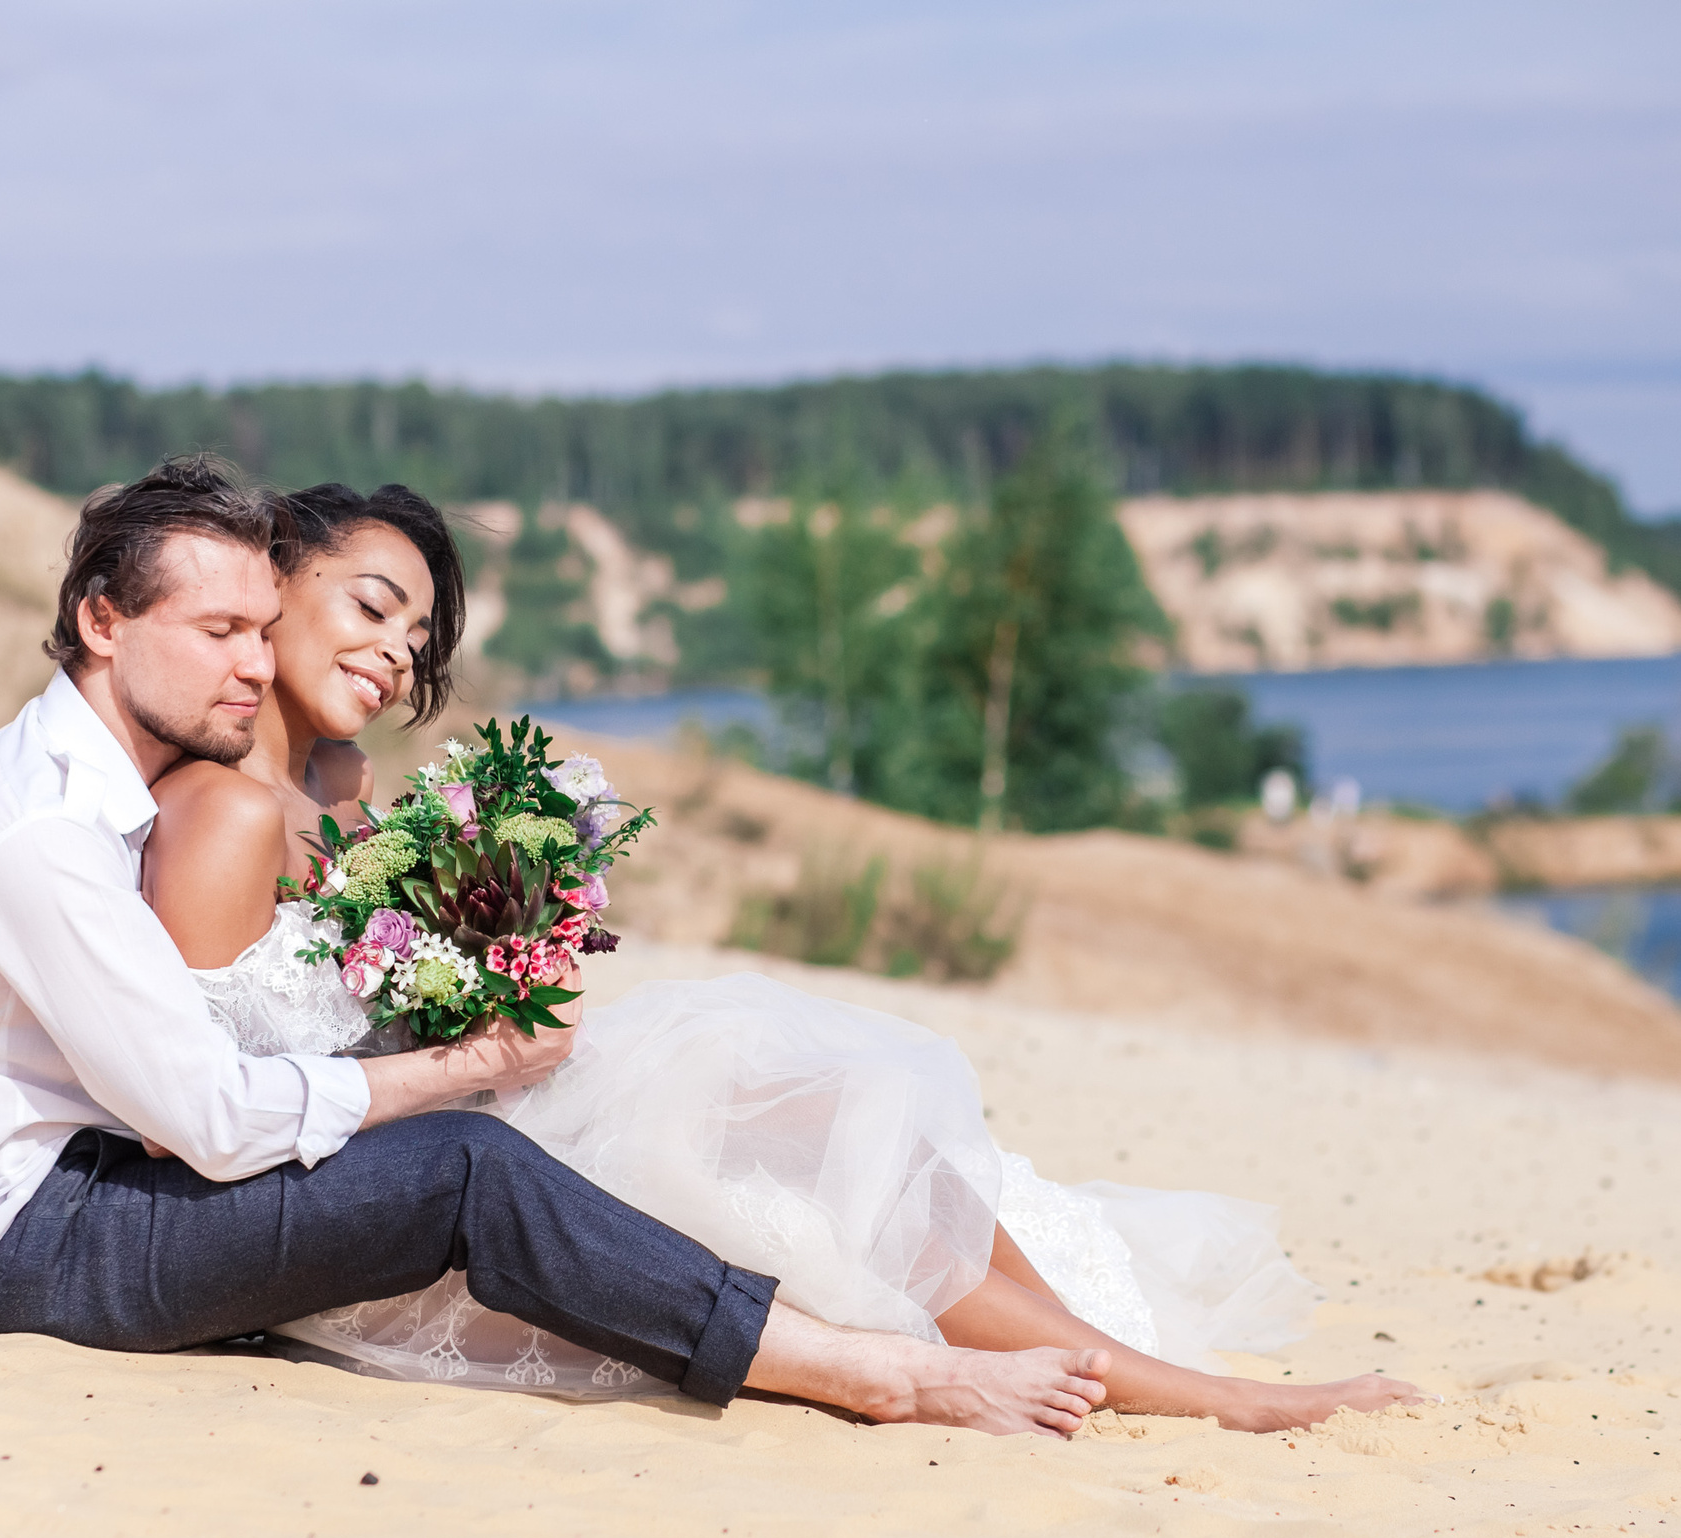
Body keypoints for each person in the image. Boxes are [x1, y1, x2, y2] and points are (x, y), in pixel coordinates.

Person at [0, 455, 1113, 1439]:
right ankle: (865, 1375)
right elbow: (202, 1118)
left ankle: (1034, 1346)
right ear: (102, 620)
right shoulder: (40, 832)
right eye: (216, 634)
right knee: (464, 1166)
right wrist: (466, 1067)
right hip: (38, 1249)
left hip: (100, 1191)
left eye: (257, 628)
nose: (248, 665)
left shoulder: (118, 790)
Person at [143, 472, 1426, 1432]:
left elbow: (370, 999)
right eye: (372, 606)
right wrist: (468, 1051)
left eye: (417, 639)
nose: (394, 651)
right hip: (380, 1199)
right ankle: (1188, 1395)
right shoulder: (226, 814)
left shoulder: (332, 800)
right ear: (271, 581)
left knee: (821, 1096)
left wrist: (501, 968)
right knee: (778, 1108)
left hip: (447, 1125)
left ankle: (1116, 1361)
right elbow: (201, 1106)